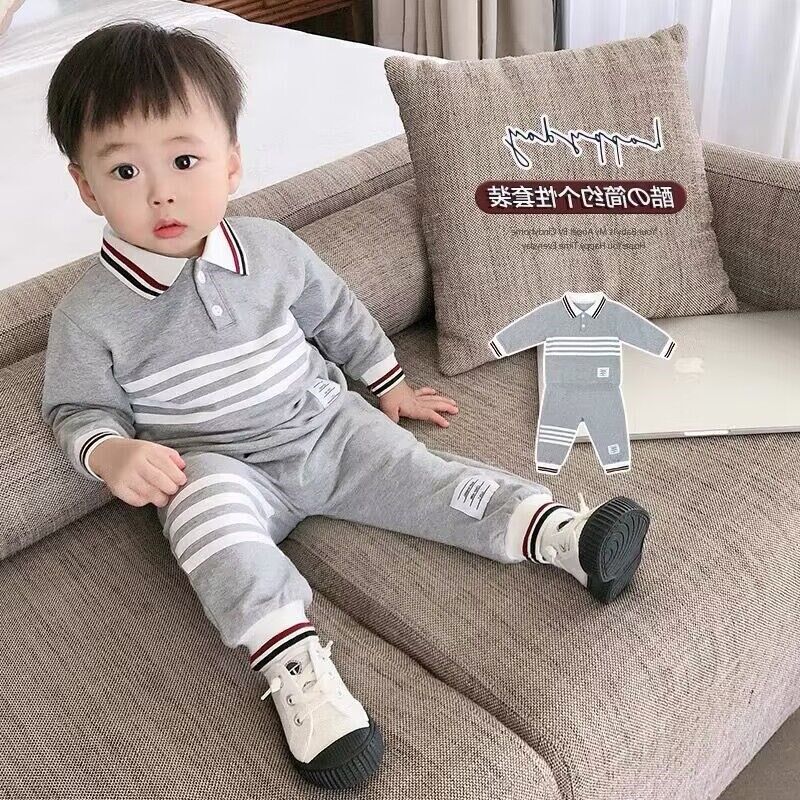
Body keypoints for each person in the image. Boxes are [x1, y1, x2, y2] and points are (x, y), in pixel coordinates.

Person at [41, 21, 652, 791]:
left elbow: (336, 316)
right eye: (125, 170)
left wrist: (387, 383)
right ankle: (298, 670)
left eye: (185, 160)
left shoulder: (271, 249)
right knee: (207, 526)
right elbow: (75, 408)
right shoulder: (88, 314)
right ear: (86, 187)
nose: (161, 191)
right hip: (214, 465)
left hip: (324, 425)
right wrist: (108, 452)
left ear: (231, 163)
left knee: (424, 476)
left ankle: (561, 534)